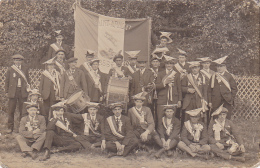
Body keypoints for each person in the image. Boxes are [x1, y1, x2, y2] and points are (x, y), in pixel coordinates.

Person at [5, 54, 30, 133]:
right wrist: (6, 91)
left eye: (19, 60)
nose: (18, 62)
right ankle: (10, 127)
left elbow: (28, 81)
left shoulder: (25, 69)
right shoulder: (10, 69)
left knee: (22, 110)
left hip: (22, 92)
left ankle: (21, 127)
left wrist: (28, 90)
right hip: (13, 92)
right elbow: (7, 81)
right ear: (14, 61)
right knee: (11, 110)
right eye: (16, 60)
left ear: (22, 61)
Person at [155, 57, 182, 126]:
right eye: (167, 64)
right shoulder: (160, 74)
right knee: (160, 118)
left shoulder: (176, 74)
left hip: (173, 99)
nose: (169, 65)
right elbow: (156, 86)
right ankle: (161, 135)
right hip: (162, 99)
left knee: (172, 118)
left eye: (171, 64)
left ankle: (171, 134)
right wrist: (164, 83)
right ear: (165, 64)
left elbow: (179, 88)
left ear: (173, 65)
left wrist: (179, 100)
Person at [197, 57, 215, 124]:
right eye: (204, 63)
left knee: (210, 112)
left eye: (207, 63)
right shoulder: (199, 72)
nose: (206, 65)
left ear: (210, 64)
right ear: (202, 64)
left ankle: (209, 127)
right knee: (202, 111)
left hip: (211, 94)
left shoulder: (213, 73)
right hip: (202, 94)